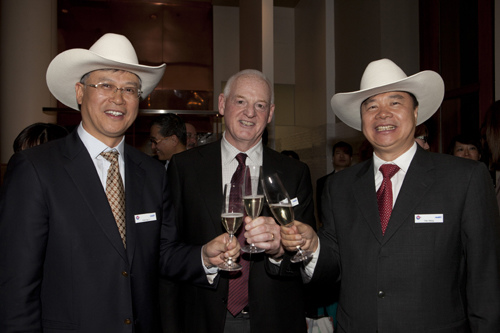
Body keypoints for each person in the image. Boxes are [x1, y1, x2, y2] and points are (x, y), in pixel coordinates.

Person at [0, 33, 238, 332]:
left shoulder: (151, 173)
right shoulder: (36, 169)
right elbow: (17, 285)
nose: (118, 98)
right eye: (106, 85)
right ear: (79, 92)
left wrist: (203, 256)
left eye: (130, 89)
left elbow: (161, 252)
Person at [282, 59, 500, 332]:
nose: (382, 114)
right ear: (362, 120)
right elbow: (334, 265)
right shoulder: (339, 188)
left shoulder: (464, 179)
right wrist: (312, 246)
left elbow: (485, 280)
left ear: (416, 112)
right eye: (371, 106)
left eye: (395, 103)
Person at [164, 69, 316, 333]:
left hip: (275, 321)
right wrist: (203, 258)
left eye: (260, 105)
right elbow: (165, 252)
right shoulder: (184, 168)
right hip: (202, 319)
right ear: (222, 104)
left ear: (270, 113)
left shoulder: (294, 172)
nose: (250, 113)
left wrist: (282, 252)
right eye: (241, 101)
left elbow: (309, 258)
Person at [316, 141, 353, 224]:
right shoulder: (323, 182)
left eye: (345, 153)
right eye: (338, 153)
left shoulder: (359, 180)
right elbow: (320, 209)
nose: (341, 156)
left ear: (351, 158)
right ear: (332, 157)